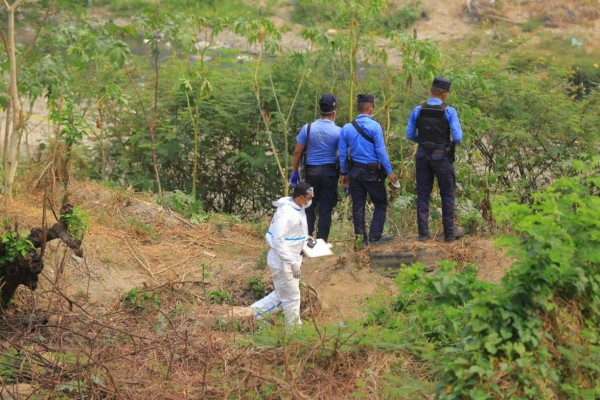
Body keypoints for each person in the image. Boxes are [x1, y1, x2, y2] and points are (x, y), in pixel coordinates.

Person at [405, 77, 465, 242]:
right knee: (447, 193)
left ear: (431, 91)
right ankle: (449, 233)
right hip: (442, 156)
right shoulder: (449, 111)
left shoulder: (417, 110)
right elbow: (458, 137)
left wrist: (424, 143)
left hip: (423, 155)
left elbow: (409, 134)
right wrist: (445, 144)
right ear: (444, 94)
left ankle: (423, 234)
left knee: (423, 193)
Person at [339, 93, 398, 247]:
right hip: (372, 173)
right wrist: (389, 171)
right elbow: (381, 151)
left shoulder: (346, 128)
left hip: (354, 172)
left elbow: (343, 153)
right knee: (381, 202)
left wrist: (344, 173)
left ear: (358, 108)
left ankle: (361, 241)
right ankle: (375, 237)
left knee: (358, 205)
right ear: (371, 108)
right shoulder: (375, 127)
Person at [251, 182, 313, 327]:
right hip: (283, 261)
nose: (310, 201)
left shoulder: (297, 209)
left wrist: (304, 239)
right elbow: (278, 239)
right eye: (309, 198)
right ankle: (294, 331)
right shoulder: (286, 213)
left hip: (290, 259)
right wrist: (292, 262)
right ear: (300, 198)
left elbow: (291, 233)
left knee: (282, 294)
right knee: (291, 297)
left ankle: (251, 314)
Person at [289, 94, 342, 242]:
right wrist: (345, 173)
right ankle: (321, 242)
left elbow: (297, 152)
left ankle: (307, 239)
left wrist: (294, 172)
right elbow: (342, 155)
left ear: (320, 110)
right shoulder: (339, 131)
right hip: (330, 174)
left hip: (311, 173)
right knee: (325, 209)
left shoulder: (308, 128)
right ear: (334, 111)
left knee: (309, 207)